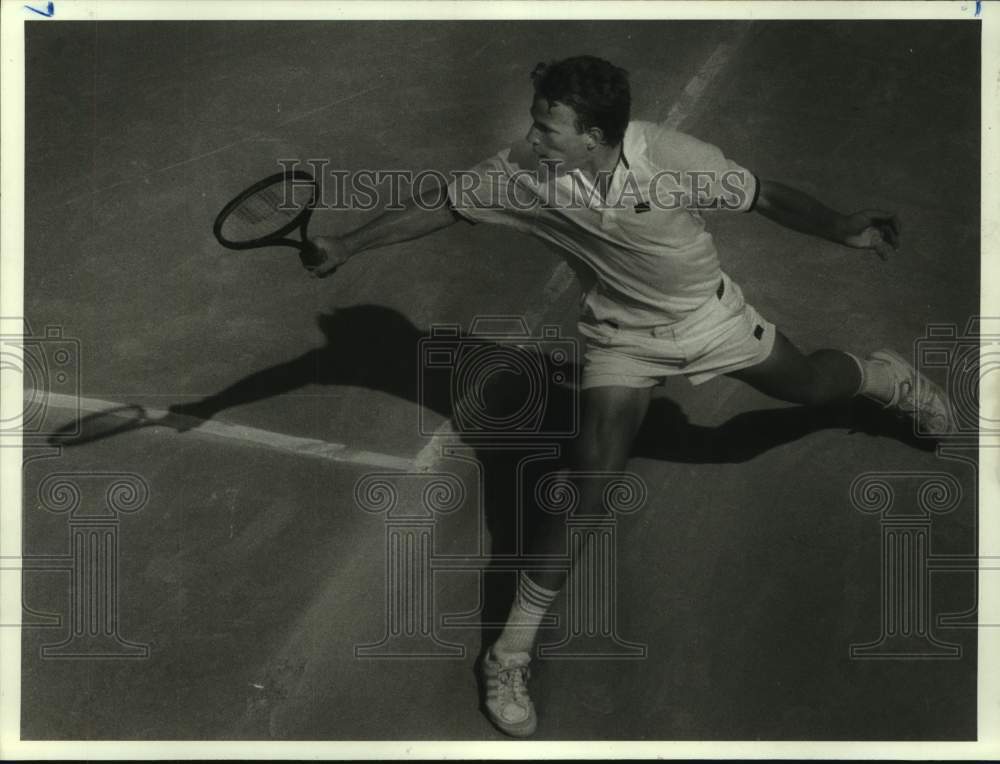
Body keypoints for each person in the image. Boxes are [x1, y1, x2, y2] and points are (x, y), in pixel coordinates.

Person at [305, 55, 953, 738]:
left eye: (550, 128)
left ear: (595, 133)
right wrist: (347, 244)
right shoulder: (524, 170)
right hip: (622, 339)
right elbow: (441, 204)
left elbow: (764, 195)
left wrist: (843, 228)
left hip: (710, 316)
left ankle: (888, 377)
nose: (535, 137)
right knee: (589, 485)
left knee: (811, 388)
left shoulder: (672, 158)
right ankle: (510, 652)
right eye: (536, 124)